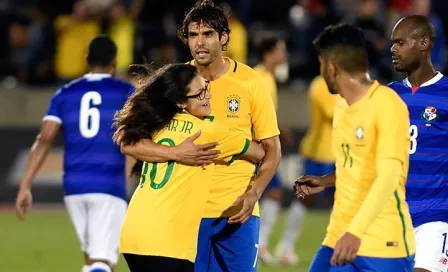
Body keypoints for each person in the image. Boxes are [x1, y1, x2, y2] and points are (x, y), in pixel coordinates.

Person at [118, 1, 281, 271]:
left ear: (224, 38)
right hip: (188, 215)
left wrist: (254, 194)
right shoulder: (178, 81)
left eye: (207, 35)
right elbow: (130, 137)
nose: (199, 43)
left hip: (238, 210)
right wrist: (175, 153)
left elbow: (272, 150)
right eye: (193, 35)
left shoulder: (251, 82)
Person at [115, 63, 265, 272]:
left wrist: (174, 152)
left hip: (134, 234)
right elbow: (260, 153)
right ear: (180, 102)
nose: (207, 97)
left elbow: (125, 140)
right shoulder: (208, 132)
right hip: (168, 240)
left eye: (206, 88)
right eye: (199, 94)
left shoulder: (156, 124)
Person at [294, 24, 415, 271]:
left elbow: (388, 176)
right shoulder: (341, 107)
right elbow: (358, 166)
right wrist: (325, 182)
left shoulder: (387, 105)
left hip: (383, 243)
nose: (320, 70)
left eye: (321, 63)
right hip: (338, 236)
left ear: (332, 66)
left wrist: (356, 232)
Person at [14, 35, 135, 272]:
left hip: (73, 186)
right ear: (114, 61)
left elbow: (45, 138)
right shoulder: (125, 92)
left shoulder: (65, 93)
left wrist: (25, 185)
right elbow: (140, 133)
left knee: (92, 259)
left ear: (87, 59)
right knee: (103, 262)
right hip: (108, 184)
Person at [389, 15, 448, 272]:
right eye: (392, 42)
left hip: (435, 215)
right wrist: (326, 180)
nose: (392, 49)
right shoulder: (387, 96)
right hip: (391, 217)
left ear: (423, 43)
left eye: (400, 42)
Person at [254, 36, 299, 265]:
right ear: (269, 54)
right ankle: (258, 244)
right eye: (281, 50)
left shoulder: (266, 77)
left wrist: (280, 128)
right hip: (256, 146)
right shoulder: (260, 78)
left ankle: (259, 243)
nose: (285, 55)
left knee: (271, 193)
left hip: (261, 145)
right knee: (271, 193)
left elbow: (267, 112)